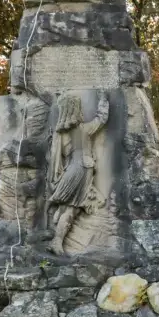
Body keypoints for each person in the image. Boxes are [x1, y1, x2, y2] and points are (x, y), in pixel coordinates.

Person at [46, 92, 110, 254]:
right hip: (82, 170)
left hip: (71, 170)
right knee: (70, 209)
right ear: (74, 110)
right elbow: (102, 119)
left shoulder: (60, 134)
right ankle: (56, 241)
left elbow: (58, 157)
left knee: (67, 207)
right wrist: (103, 98)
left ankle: (55, 237)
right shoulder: (83, 129)